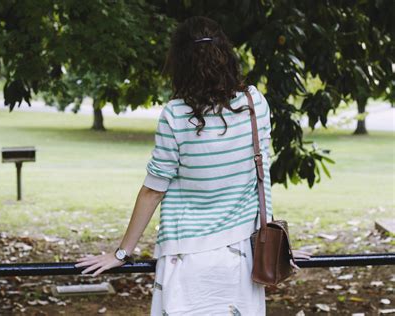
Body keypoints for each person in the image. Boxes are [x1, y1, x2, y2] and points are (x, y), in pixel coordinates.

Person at [75, 16, 311, 315]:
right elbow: (260, 177)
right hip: (240, 257)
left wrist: (122, 252)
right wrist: (275, 245)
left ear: (180, 62)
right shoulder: (254, 103)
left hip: (184, 258)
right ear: (226, 55)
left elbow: (153, 191)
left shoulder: (175, 115)